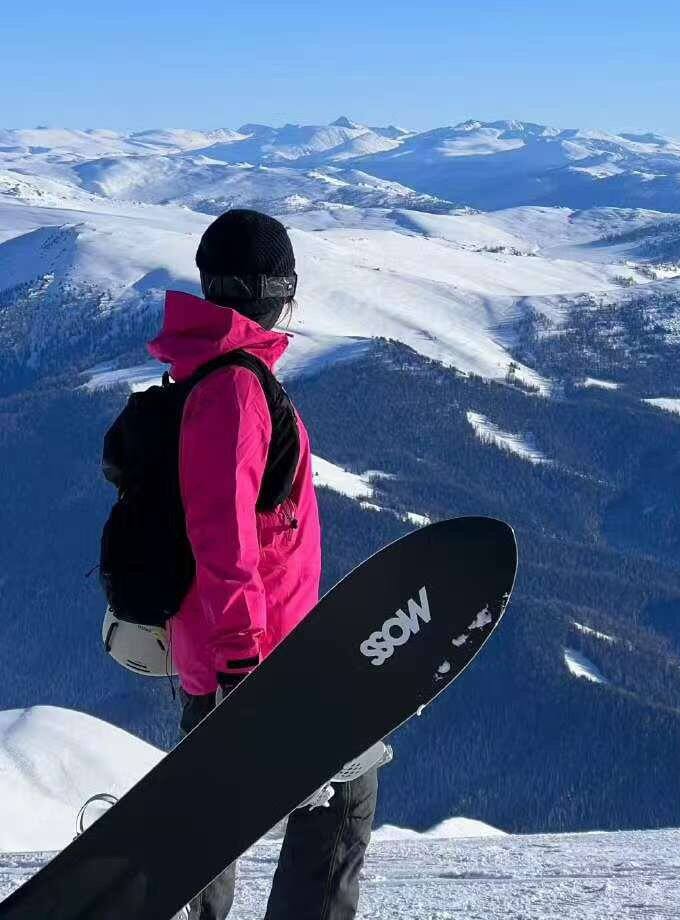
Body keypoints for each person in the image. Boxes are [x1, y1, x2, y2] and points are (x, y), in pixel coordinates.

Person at [146, 210, 378, 920]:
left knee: (215, 819)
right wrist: (243, 671)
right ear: (279, 291)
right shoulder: (236, 387)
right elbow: (224, 537)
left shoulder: (205, 371)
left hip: (229, 654)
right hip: (259, 662)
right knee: (345, 800)